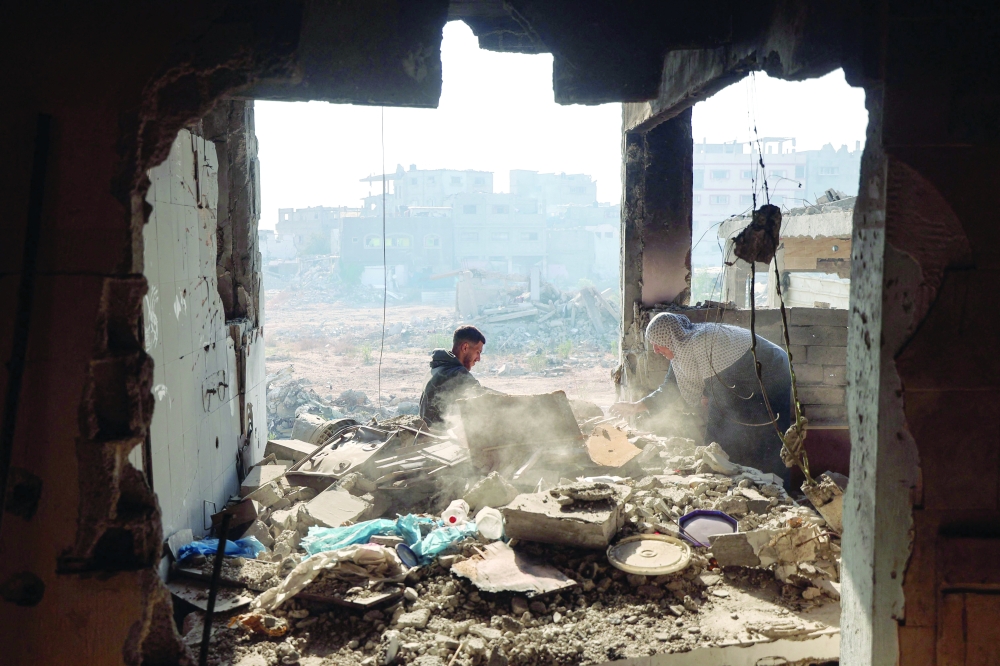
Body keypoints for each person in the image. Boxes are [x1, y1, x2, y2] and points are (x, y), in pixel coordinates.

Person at [612, 312, 791, 484]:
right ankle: (743, 484)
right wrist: (636, 407)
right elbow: (670, 388)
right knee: (739, 434)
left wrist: (709, 453)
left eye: (657, 343)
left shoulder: (702, 341)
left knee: (768, 435)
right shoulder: (681, 347)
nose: (655, 350)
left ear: (670, 337)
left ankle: (779, 493)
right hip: (745, 379)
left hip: (772, 369)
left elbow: (720, 405)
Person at [419, 325, 488, 428]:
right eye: (477, 352)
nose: (478, 359)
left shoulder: (435, 369)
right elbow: (486, 400)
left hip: (428, 434)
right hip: (441, 438)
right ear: (465, 347)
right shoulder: (457, 375)